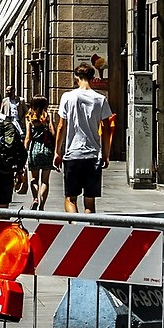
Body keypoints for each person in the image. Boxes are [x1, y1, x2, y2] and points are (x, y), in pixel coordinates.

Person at [54, 61, 113, 215]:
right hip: (93, 154)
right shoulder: (100, 99)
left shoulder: (67, 97)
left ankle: (74, 227)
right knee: (89, 201)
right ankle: (87, 231)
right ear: (93, 78)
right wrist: (105, 154)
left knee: (70, 198)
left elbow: (61, 126)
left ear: (76, 78)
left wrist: (57, 152)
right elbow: (107, 128)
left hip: (73, 154)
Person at [24, 95, 55, 211]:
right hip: (47, 149)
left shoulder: (29, 117)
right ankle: (42, 205)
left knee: (34, 179)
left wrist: (24, 150)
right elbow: (52, 132)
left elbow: (28, 137)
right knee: (45, 180)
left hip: (34, 149)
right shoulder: (47, 116)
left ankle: (35, 198)